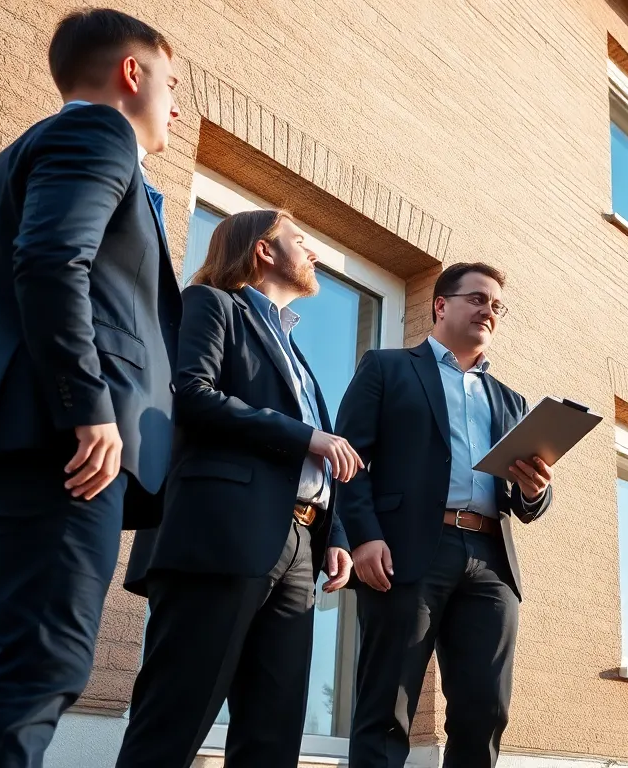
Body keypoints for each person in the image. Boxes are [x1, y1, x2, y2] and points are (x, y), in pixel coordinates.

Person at [0, 9, 181, 764]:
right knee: (36, 667)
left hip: (9, 445)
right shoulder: (96, 133)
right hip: (64, 453)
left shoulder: (3, 164)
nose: (176, 106)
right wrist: (89, 407)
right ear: (133, 73)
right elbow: (53, 262)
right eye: (172, 83)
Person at [115, 209, 360, 767]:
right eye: (301, 239)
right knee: (175, 717)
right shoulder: (211, 304)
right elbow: (193, 395)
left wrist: (337, 532)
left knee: (273, 735)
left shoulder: (299, 353)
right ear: (263, 251)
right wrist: (308, 437)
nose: (314, 251)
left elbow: (312, 465)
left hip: (301, 546)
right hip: (220, 534)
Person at [336, 261, 554, 768]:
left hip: (490, 561)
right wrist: (363, 535)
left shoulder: (510, 400)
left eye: (497, 306)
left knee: (485, 711)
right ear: (440, 304)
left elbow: (527, 503)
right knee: (386, 707)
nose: (489, 311)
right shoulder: (387, 368)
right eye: (478, 299)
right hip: (407, 551)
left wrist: (533, 489)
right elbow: (349, 460)